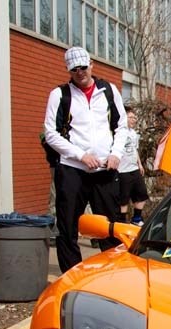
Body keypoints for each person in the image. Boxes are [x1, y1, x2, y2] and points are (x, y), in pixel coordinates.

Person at [44, 47, 128, 273]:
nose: (80, 72)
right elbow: (50, 133)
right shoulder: (60, 95)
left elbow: (121, 126)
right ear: (69, 71)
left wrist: (116, 153)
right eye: (74, 69)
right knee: (67, 226)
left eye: (83, 67)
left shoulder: (109, 90)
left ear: (91, 65)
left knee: (110, 227)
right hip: (72, 170)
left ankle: (112, 273)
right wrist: (80, 155)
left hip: (105, 169)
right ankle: (72, 275)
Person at [118, 108, 149, 226]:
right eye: (131, 117)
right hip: (122, 170)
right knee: (123, 198)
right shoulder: (119, 132)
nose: (134, 120)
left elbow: (135, 150)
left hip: (134, 168)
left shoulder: (134, 134)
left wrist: (139, 164)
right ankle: (122, 222)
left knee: (141, 194)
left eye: (135, 118)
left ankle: (136, 219)